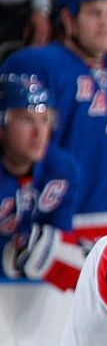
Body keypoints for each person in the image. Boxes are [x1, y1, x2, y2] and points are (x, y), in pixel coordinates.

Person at [0, 0, 107, 244]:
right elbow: (20, 154)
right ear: (68, 19)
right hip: (61, 228)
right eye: (94, 13)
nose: (105, 23)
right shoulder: (36, 65)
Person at [0, 72, 85, 291]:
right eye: (26, 120)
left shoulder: (63, 169)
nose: (39, 133)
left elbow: (60, 236)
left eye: (45, 119)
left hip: (30, 292)